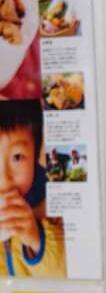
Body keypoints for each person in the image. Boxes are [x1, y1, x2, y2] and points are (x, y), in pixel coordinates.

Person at [0, 101, 65, 277]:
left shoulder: (55, 204)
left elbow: (70, 277)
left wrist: (36, 240)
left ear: (35, 156)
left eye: (18, 157)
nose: (4, 178)